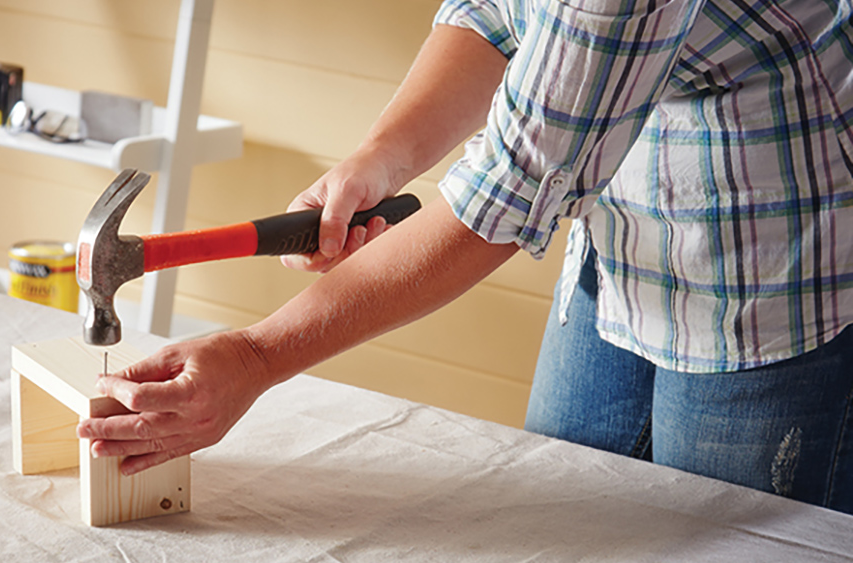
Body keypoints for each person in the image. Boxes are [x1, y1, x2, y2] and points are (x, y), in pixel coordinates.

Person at [77, 0, 853, 513]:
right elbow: (491, 10)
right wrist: (380, 159)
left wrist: (256, 351)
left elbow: (507, 192)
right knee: (561, 512)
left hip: (775, 228)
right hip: (619, 199)